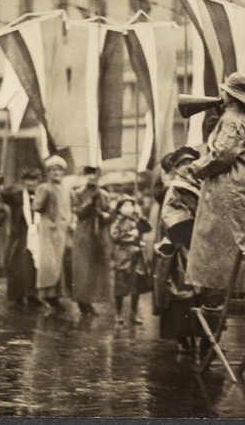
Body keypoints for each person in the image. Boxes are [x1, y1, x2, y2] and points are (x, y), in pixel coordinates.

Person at [187, 72, 245, 304]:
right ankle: (234, 289)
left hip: (228, 185)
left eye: (225, 91)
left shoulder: (232, 118)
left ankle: (217, 292)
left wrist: (196, 167)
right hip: (242, 185)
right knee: (237, 238)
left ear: (231, 95)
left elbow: (222, 154)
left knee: (216, 238)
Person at [153, 146, 202, 352]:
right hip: (180, 244)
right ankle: (182, 337)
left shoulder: (200, 185)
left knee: (196, 292)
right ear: (176, 168)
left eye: (190, 163)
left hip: (197, 244)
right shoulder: (175, 188)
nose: (187, 167)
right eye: (182, 164)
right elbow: (172, 217)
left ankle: (197, 335)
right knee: (180, 291)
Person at [70, 166, 115, 316]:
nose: (91, 177)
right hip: (84, 233)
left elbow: (110, 214)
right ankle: (82, 302)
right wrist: (90, 202)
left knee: (97, 269)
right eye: (88, 174)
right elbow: (78, 212)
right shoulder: (77, 193)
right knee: (83, 269)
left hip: (99, 234)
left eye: (94, 174)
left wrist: (104, 215)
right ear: (85, 175)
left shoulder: (104, 195)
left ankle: (90, 300)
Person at [32, 155, 73, 310]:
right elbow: (36, 206)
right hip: (49, 229)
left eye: (59, 169)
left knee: (61, 262)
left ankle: (57, 295)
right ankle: (46, 295)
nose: (56, 172)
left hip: (63, 229)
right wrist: (43, 198)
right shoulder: (44, 188)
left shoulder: (65, 188)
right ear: (48, 172)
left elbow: (70, 208)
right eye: (53, 169)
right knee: (49, 263)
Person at [1, 168, 43, 307]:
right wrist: (0, 183)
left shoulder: (40, 195)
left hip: (36, 233)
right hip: (20, 234)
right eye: (28, 180)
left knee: (34, 265)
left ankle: (33, 295)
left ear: (38, 181)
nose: (31, 183)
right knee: (19, 265)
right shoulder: (17, 195)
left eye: (34, 180)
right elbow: (2, 195)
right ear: (24, 181)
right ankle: (17, 296)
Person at [110, 196, 152, 325]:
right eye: (126, 206)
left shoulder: (135, 220)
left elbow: (147, 228)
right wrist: (129, 235)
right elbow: (114, 236)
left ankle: (134, 313)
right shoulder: (118, 222)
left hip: (136, 256)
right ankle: (118, 313)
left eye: (131, 205)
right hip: (123, 255)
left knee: (136, 286)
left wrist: (140, 217)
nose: (129, 208)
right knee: (120, 286)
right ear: (119, 209)